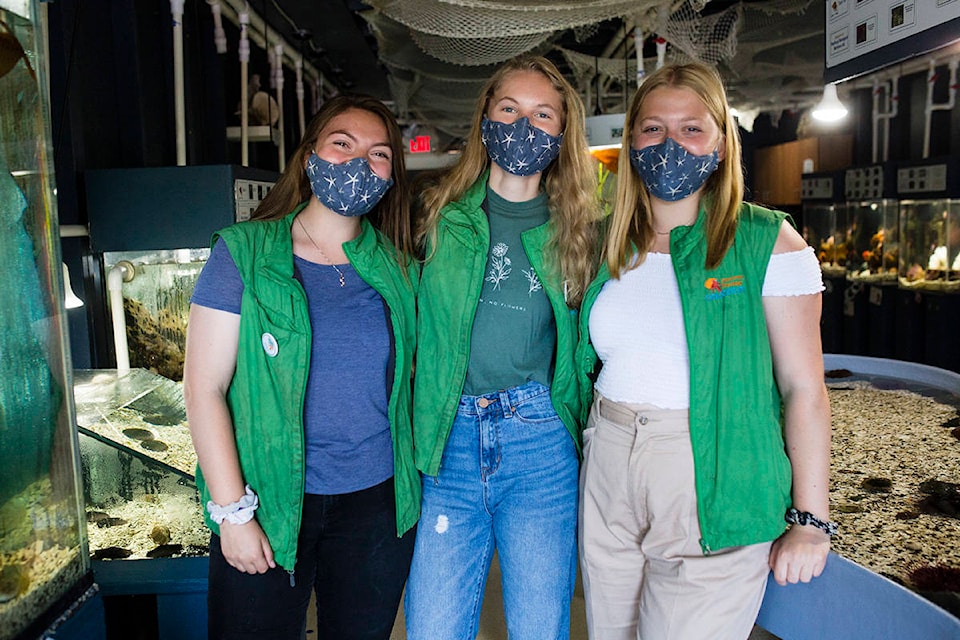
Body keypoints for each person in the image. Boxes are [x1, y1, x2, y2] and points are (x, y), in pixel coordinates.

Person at [575, 62, 834, 639]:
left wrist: (810, 520)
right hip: (611, 457)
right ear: (632, 141)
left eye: (692, 128)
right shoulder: (605, 241)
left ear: (721, 145)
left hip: (715, 467)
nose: (671, 145)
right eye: (653, 129)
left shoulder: (767, 241)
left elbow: (803, 389)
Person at [183, 94, 419, 640]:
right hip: (267, 497)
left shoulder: (398, 267)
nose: (361, 162)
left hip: (376, 504)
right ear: (310, 156)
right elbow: (203, 388)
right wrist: (233, 513)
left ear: (390, 174)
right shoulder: (244, 254)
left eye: (379, 154)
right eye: (343, 143)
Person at [403, 54, 601, 639]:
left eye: (543, 115)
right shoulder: (434, 215)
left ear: (563, 133)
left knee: (541, 627)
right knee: (434, 628)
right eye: (509, 109)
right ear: (485, 117)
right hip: (448, 442)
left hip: (539, 443)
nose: (524, 125)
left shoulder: (582, 231)